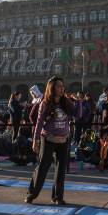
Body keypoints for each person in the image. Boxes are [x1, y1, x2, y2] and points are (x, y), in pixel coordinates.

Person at [25, 76, 74, 205]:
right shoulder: (45, 103)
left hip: (64, 140)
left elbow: (78, 114)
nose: (62, 88)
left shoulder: (66, 102)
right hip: (48, 139)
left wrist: (78, 102)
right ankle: (31, 194)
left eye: (63, 86)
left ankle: (58, 197)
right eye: (59, 86)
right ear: (52, 88)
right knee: (42, 168)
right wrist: (35, 140)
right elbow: (39, 122)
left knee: (61, 170)